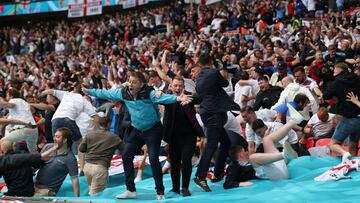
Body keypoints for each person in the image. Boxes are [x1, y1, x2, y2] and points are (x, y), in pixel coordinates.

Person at [83, 72, 192, 200]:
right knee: (126, 155)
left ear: (141, 84)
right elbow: (106, 93)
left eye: (134, 82)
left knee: (153, 159)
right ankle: (130, 190)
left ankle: (160, 192)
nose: (131, 84)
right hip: (137, 130)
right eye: (130, 81)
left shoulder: (149, 94)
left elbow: (164, 98)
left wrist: (178, 98)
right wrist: (89, 91)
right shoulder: (123, 93)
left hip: (153, 130)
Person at [193, 54, 240, 192]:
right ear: (211, 62)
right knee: (211, 146)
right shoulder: (213, 72)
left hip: (208, 113)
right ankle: (200, 176)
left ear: (199, 64)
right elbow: (225, 83)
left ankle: (218, 173)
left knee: (225, 143)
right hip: (214, 114)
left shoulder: (199, 77)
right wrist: (220, 69)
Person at [162, 76, 204, 197]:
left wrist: (189, 98)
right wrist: (159, 92)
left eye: (180, 85)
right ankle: (175, 188)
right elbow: (156, 99)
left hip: (189, 136)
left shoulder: (188, 97)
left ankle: (185, 187)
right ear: (171, 86)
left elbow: (200, 98)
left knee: (186, 161)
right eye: (175, 85)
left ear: (184, 87)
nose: (177, 88)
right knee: (174, 163)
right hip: (173, 137)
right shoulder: (168, 98)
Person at [249, 104, 303, 180]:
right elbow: (259, 149)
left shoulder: (277, 126)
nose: (259, 135)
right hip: (277, 175)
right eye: (257, 133)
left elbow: (285, 144)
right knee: (252, 157)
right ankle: (284, 154)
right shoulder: (248, 164)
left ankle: (294, 121)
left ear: (264, 127)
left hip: (289, 145)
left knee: (266, 140)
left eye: (260, 132)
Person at [323, 63, 360, 163]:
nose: (333, 72)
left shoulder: (337, 82)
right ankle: (354, 164)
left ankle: (345, 154)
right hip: (359, 118)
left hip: (348, 118)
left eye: (334, 70)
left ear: (338, 70)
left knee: (333, 144)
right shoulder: (357, 78)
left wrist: (336, 95)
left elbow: (325, 96)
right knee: (353, 142)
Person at [41, 89, 97, 154]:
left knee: (57, 143)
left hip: (55, 120)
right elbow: (95, 117)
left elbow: (50, 91)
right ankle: (77, 159)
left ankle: (55, 160)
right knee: (78, 141)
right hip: (67, 120)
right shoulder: (83, 100)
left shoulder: (66, 94)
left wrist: (43, 93)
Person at [79, 116, 122, 196]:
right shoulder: (113, 137)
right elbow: (124, 148)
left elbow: (81, 149)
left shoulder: (89, 135)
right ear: (108, 125)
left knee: (91, 190)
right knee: (96, 195)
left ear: (98, 124)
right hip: (100, 167)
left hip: (87, 167)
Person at [34, 127, 80, 197]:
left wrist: (77, 199)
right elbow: (37, 161)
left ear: (64, 140)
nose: (54, 139)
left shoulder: (70, 158)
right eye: (54, 136)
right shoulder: (47, 147)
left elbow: (74, 179)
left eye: (57, 137)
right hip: (35, 185)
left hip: (48, 190)